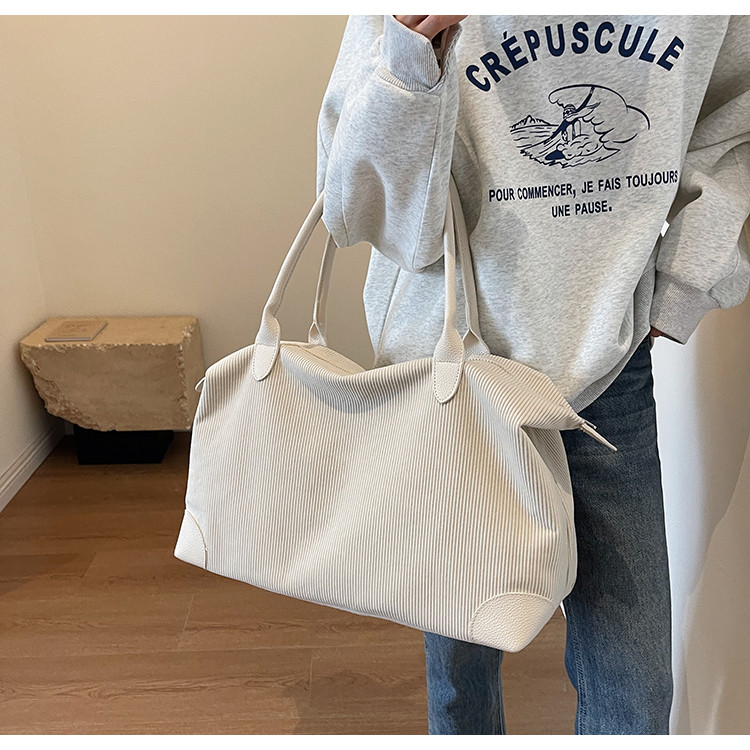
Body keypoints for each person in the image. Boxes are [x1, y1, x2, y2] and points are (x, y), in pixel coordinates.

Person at [316, 14, 750, 734]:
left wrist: (683, 287)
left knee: (636, 686)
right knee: (460, 660)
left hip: (607, 368)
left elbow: (736, 125)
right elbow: (365, 214)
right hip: (454, 372)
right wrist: (410, 67)